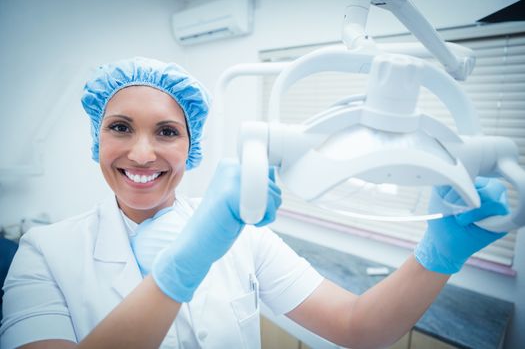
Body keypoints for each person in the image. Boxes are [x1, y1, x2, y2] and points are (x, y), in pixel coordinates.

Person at [0, 57, 509, 349]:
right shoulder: (43, 253)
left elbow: (358, 328)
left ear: (190, 147)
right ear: (97, 139)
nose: (141, 151)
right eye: (120, 128)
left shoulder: (243, 233)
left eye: (167, 132)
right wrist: (185, 266)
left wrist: (438, 255)